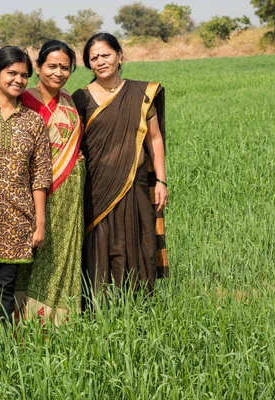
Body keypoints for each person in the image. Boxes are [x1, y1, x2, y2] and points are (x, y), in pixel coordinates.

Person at [0, 40, 85, 325]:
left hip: (16, 218)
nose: (19, 80)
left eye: (23, 75)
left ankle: (0, 348)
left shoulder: (32, 121)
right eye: (12, 73)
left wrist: (39, 222)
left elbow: (40, 175)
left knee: (5, 293)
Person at [71, 33, 169, 298]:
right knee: (99, 241)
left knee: (136, 236)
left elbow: (155, 138)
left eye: (105, 55)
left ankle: (138, 300)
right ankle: (97, 302)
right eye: (94, 58)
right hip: (96, 185)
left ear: (119, 55)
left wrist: (161, 181)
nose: (101, 61)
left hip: (135, 181)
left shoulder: (141, 93)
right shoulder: (79, 99)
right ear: (88, 64)